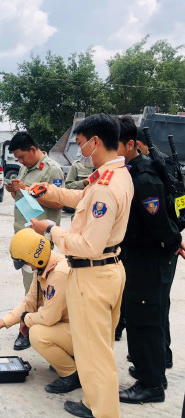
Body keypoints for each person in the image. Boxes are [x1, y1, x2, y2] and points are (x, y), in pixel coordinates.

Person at [28, 114, 133, 418]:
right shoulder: (114, 175)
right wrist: (49, 192)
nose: (78, 148)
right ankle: (94, 401)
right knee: (94, 350)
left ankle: (103, 412)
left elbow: (89, 245)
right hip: (106, 270)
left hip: (93, 274)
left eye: (80, 142)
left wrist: (50, 229)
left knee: (95, 353)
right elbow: (80, 198)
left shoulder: (104, 186)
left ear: (96, 142)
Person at [116, 116, 185, 404]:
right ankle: (151, 370)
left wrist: (174, 243)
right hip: (143, 257)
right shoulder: (132, 169)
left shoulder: (143, 177)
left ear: (131, 144)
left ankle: (150, 385)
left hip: (149, 259)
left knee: (145, 321)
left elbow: (158, 224)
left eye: (114, 145)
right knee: (147, 319)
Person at [0, 228, 80, 394]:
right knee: (36, 325)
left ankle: (72, 374)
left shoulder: (58, 273)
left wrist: (26, 319)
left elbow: (48, 318)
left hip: (84, 335)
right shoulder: (44, 268)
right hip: (73, 327)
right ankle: (70, 358)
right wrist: (2, 323)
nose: (26, 267)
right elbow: (30, 302)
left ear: (35, 258)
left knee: (37, 334)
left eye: (25, 262)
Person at [5, 131, 64, 351]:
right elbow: (21, 199)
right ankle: (31, 326)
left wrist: (27, 190)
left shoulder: (52, 169)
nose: (20, 161)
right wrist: (14, 191)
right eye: (17, 159)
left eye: (22, 157)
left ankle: (29, 330)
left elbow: (59, 204)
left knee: (40, 289)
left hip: (40, 240)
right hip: (23, 237)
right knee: (29, 287)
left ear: (33, 149)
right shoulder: (25, 168)